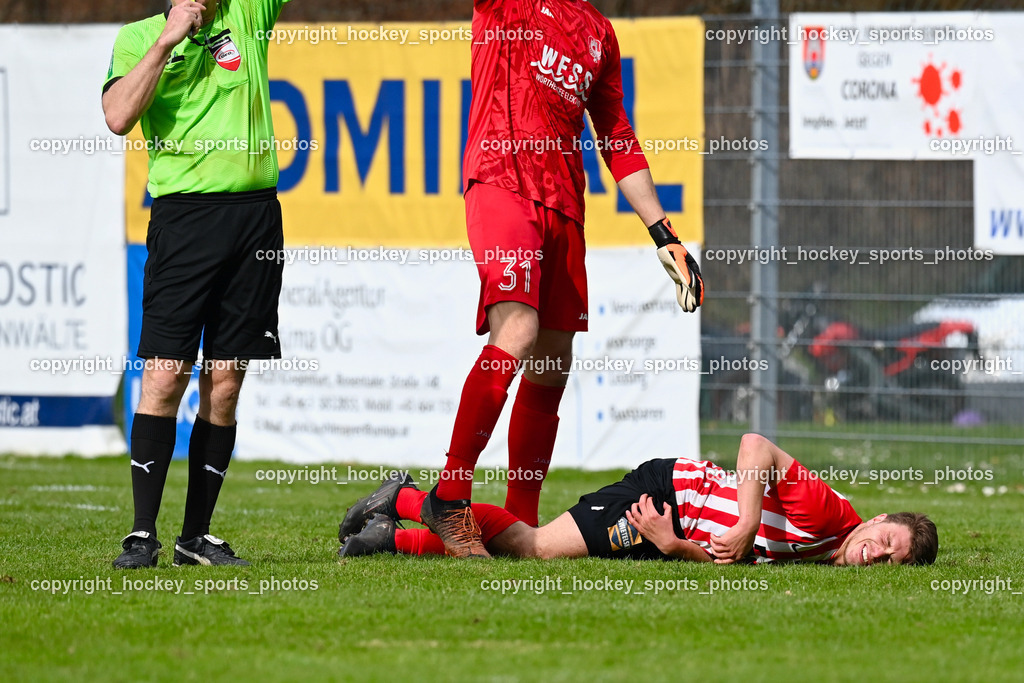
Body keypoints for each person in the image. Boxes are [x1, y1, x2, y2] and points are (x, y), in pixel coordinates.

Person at [422, 0, 705, 558]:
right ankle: (448, 498)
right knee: (519, 332)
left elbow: (616, 135)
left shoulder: (599, 31)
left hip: (565, 204)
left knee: (553, 360)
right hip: (502, 182)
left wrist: (663, 232)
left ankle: (515, 522)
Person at [103, 0, 291, 568]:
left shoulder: (248, 11)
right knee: (163, 378)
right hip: (184, 221)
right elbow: (116, 117)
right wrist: (167, 42)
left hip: (255, 217)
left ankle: (195, 537)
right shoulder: (139, 38)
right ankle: (141, 535)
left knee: (227, 382)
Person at [339, 433, 939, 566]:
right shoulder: (835, 516)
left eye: (893, 560)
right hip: (666, 491)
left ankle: (390, 537)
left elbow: (731, 561)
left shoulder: (824, 561)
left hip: (672, 527)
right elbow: (757, 447)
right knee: (536, 546)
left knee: (528, 550)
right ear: (878, 520)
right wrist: (746, 517)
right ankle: (410, 503)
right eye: (887, 541)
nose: (879, 555)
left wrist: (675, 546)